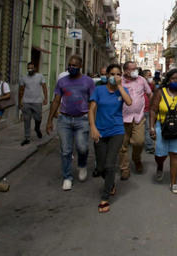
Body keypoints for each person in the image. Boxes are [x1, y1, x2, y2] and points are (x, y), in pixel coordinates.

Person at [46, 55, 95, 191]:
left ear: (80, 67)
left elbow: (93, 102)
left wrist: (93, 122)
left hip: (82, 119)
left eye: (74, 65)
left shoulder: (88, 82)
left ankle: (82, 164)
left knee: (82, 147)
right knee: (66, 150)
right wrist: (49, 120)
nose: (71, 67)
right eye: (70, 65)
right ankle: (67, 177)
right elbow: (56, 100)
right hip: (64, 119)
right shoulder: (62, 81)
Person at [89, 64, 132, 213]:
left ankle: (105, 197)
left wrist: (120, 87)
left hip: (116, 131)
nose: (115, 77)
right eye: (112, 74)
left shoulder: (122, 90)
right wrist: (93, 127)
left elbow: (129, 102)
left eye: (118, 74)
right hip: (100, 132)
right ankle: (110, 183)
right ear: (107, 75)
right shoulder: (99, 90)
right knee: (100, 167)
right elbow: (92, 109)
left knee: (110, 164)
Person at [149, 69, 177, 194]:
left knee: (175, 154)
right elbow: (153, 110)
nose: (175, 81)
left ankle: (173, 182)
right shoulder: (160, 92)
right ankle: (160, 165)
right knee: (160, 154)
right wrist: (151, 127)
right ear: (168, 80)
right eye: (173, 79)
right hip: (161, 126)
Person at [119, 61, 152, 179]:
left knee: (139, 141)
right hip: (122, 118)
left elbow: (149, 93)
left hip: (139, 117)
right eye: (132, 69)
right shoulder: (120, 81)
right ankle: (124, 168)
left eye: (136, 68)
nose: (135, 71)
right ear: (125, 71)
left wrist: (152, 108)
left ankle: (136, 159)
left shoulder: (141, 80)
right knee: (123, 145)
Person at [18, 62, 48, 146]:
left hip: (37, 101)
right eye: (28, 68)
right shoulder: (24, 78)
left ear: (35, 68)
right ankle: (27, 137)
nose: (30, 70)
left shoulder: (40, 76)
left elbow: (44, 87)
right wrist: (20, 101)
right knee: (26, 120)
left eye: (31, 68)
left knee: (38, 117)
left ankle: (37, 128)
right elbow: (21, 90)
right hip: (26, 101)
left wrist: (45, 98)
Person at [142, 69, 156, 154]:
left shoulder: (151, 84)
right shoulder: (139, 84)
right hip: (139, 110)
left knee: (148, 128)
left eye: (151, 75)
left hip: (149, 109)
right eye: (148, 75)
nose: (150, 77)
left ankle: (149, 147)